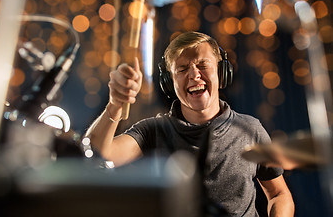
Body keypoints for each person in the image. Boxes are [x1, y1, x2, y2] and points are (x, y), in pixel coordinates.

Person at [85, 31, 295, 216]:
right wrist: (114, 105)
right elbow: (95, 155)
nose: (194, 75)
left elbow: (278, 193)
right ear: (170, 84)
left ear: (222, 74)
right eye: (182, 69)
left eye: (203, 65)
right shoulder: (154, 130)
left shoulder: (251, 130)